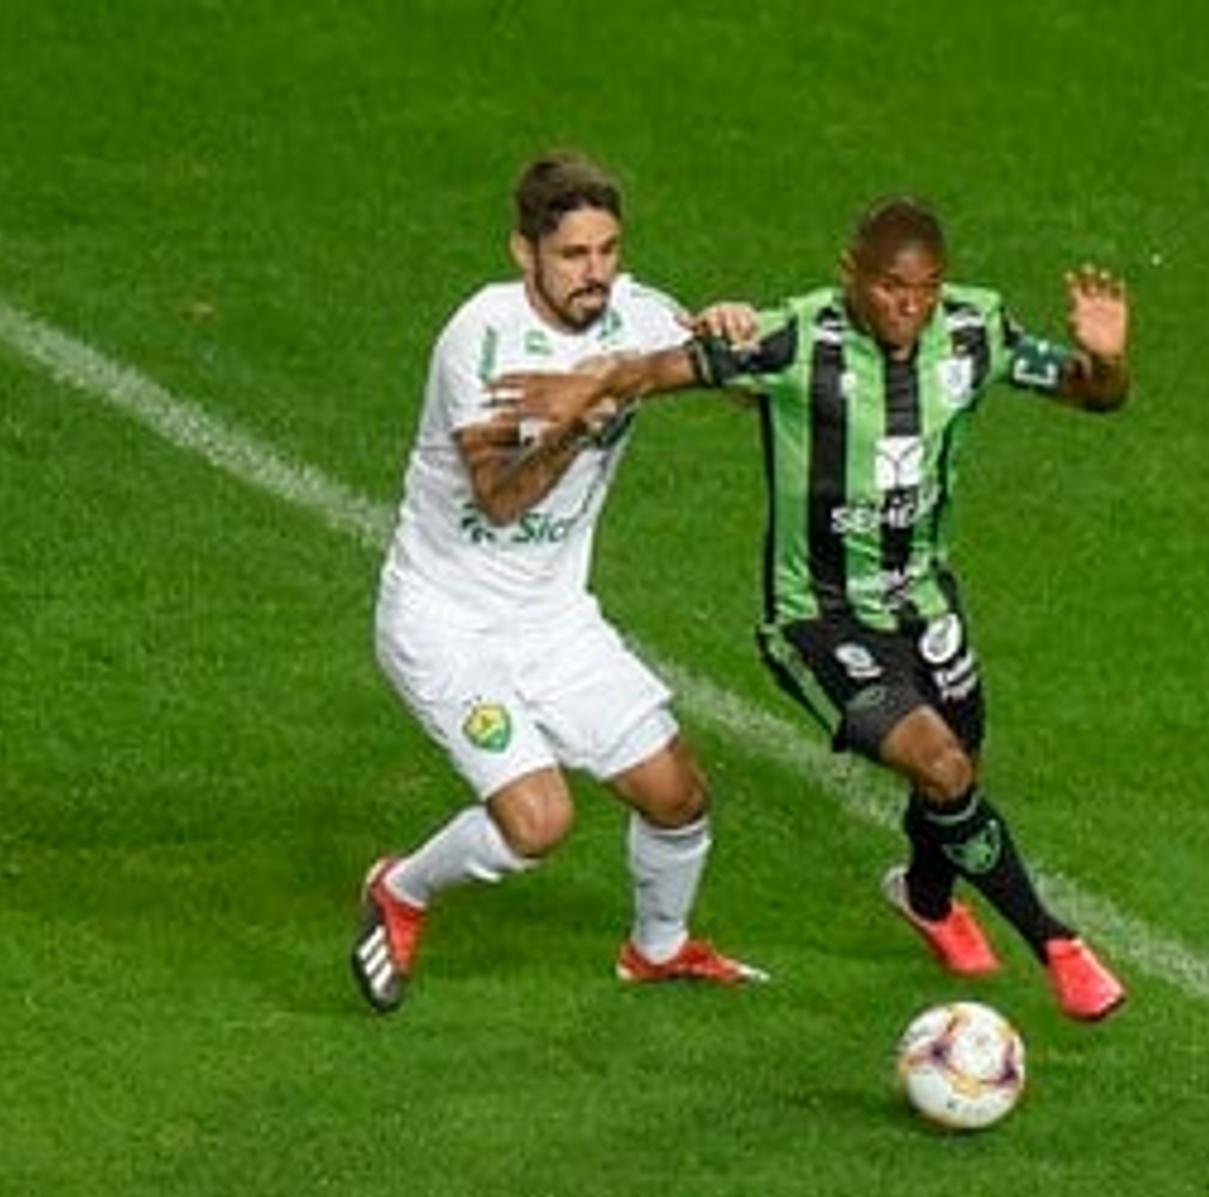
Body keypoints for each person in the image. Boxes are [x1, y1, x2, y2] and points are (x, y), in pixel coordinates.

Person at [490, 197, 1131, 1020]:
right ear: (850, 275)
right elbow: (661, 370)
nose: (910, 306)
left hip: (927, 602)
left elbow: (1093, 395)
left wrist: (1106, 359)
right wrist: (587, 384)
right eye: (893, 288)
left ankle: (926, 899)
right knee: (942, 765)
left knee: (953, 780)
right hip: (819, 618)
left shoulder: (977, 330)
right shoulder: (798, 339)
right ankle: (1058, 944)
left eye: (926, 289)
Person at [352, 151, 766, 1014]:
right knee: (537, 824)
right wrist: (584, 420)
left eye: (608, 250)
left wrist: (738, 341)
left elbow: (751, 393)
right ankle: (400, 889)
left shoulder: (640, 316)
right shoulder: (481, 339)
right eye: (574, 255)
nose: (596, 274)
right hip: (444, 621)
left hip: (552, 619)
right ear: (524, 252)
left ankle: (657, 949)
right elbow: (500, 499)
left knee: (677, 794)